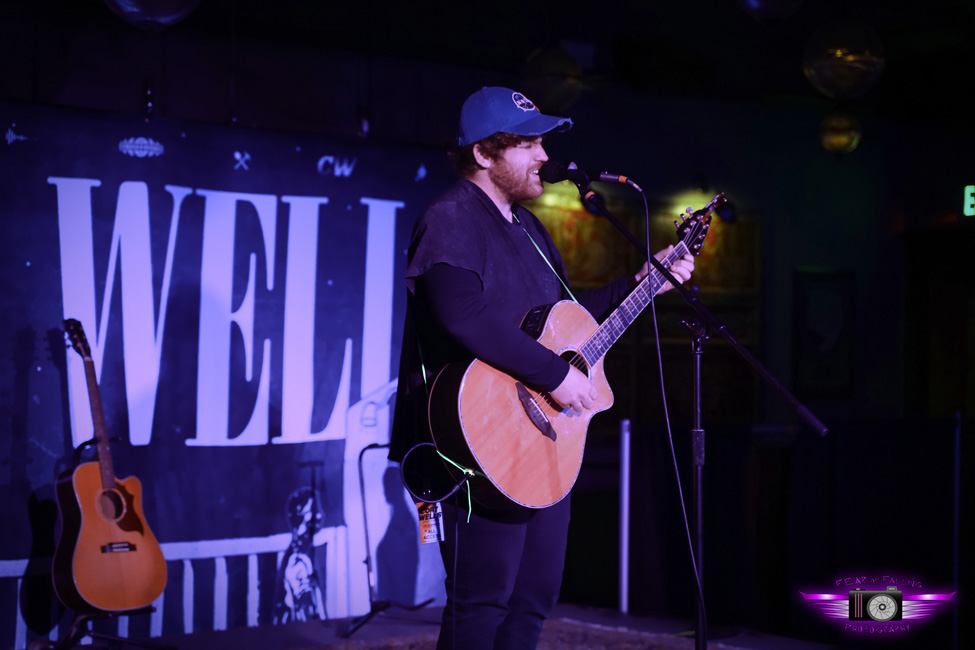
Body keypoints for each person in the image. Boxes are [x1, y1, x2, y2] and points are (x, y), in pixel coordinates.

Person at [389, 86, 695, 650]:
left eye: (540, 143)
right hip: (478, 439)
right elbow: (464, 316)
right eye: (527, 143)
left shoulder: (530, 230)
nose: (543, 156)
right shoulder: (451, 216)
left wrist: (644, 282)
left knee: (532, 602)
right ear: (483, 154)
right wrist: (554, 376)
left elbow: (567, 322)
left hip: (542, 441)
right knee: (481, 604)